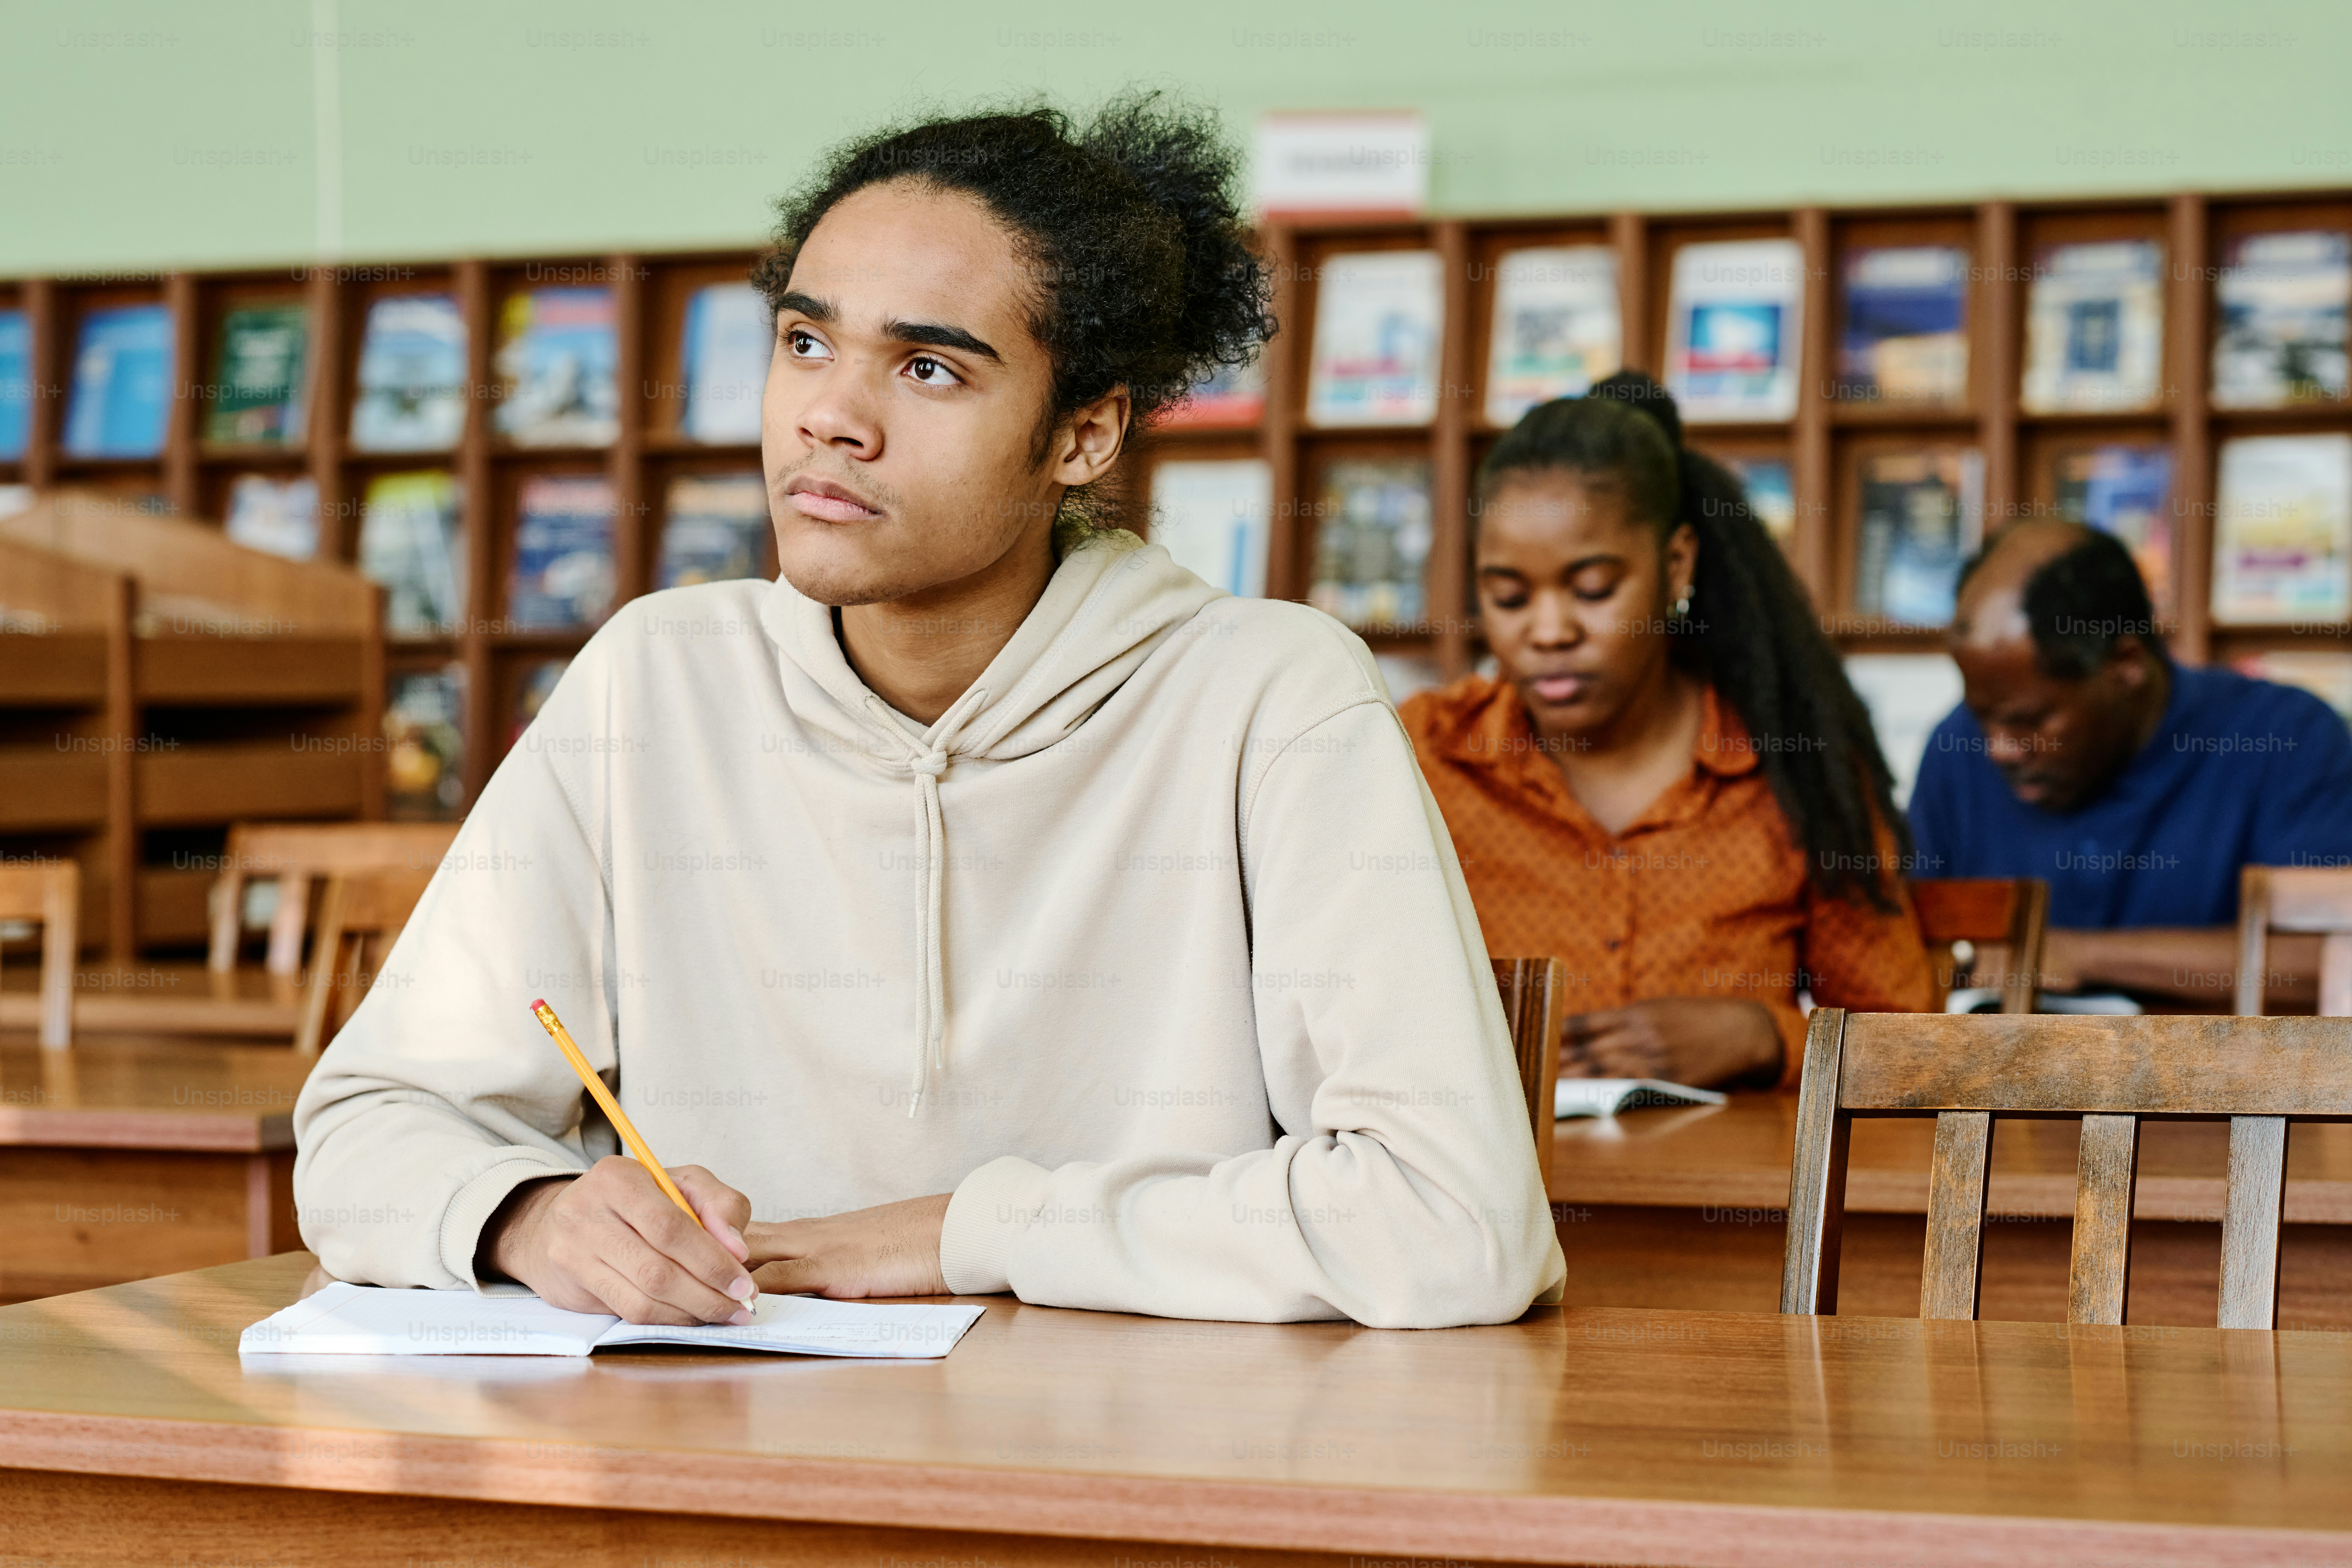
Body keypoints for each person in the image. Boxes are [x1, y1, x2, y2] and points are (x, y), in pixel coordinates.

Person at [292, 96, 1565, 1330]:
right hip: (723, 1465)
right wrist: (525, 1211)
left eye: (928, 367)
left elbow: (1454, 1218)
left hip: (1142, 1481)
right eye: (805, 342)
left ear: (1084, 434)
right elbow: (363, 1126)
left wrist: (966, 1231)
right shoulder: (653, 678)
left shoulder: (1271, 695)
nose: (831, 418)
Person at [1399, 374, 1934, 1091]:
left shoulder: (1790, 768)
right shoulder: (1423, 757)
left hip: (1721, 1195)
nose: (1549, 632)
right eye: (1508, 597)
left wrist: (1766, 1037)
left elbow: (1912, 1045)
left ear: (1675, 565)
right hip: (1484, 1198)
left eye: (1592, 590)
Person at [1910, 518, 2352, 1007]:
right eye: (1983, 718)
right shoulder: (1955, 750)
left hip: (2217, 1081)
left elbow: (2330, 962)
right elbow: (1909, 949)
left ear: (2126, 664)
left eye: (2030, 721)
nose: (1999, 748)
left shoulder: (2285, 738)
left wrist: (2075, 956)